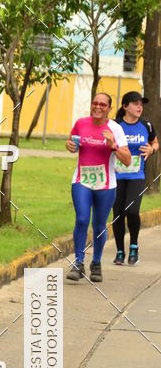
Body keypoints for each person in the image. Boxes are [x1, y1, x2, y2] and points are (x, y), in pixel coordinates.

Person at [65, 93, 131, 283]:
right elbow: (72, 143)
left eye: (103, 104)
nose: (98, 107)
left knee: (99, 225)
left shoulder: (115, 129)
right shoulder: (81, 123)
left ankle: (96, 263)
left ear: (109, 108)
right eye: (95, 103)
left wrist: (113, 145)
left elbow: (127, 160)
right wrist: (70, 146)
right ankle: (78, 263)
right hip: (82, 180)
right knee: (82, 219)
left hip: (105, 184)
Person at [111, 91, 159, 266]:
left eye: (141, 104)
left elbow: (155, 142)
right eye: (135, 103)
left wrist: (152, 149)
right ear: (125, 106)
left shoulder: (146, 125)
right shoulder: (115, 125)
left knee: (131, 211)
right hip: (116, 175)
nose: (140, 107)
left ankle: (133, 246)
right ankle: (119, 251)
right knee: (118, 214)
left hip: (137, 176)